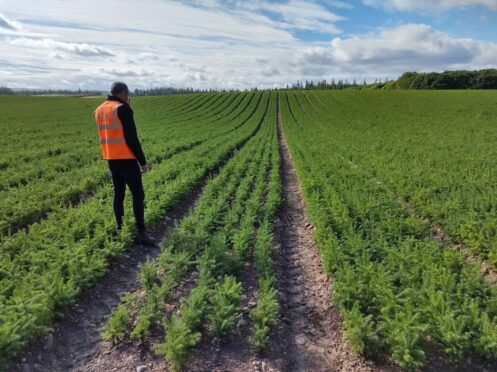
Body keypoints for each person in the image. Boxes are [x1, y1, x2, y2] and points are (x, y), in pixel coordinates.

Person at [94, 82, 157, 246]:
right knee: (138, 195)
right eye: (128, 95)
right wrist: (143, 163)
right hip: (127, 159)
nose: (129, 97)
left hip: (111, 159)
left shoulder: (100, 109)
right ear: (123, 93)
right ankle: (141, 233)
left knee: (119, 193)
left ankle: (120, 228)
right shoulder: (122, 109)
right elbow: (132, 139)